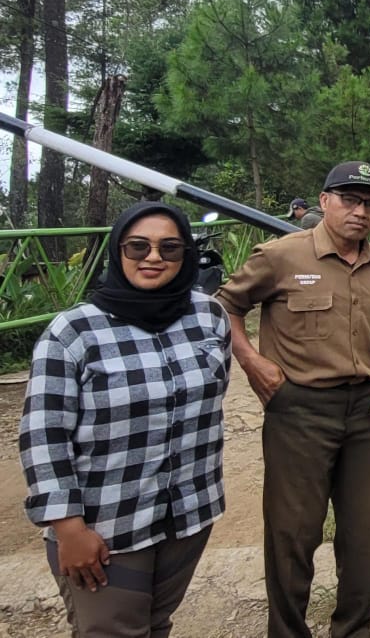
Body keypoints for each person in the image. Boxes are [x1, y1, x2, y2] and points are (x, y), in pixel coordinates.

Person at [21, 201, 230, 638]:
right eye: (139, 247)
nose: (153, 257)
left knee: (155, 624)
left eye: (170, 248)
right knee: (114, 631)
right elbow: (44, 437)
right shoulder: (74, 332)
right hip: (107, 525)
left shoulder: (208, 316)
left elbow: (210, 403)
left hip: (188, 514)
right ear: (118, 251)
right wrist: (68, 528)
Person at [216, 161, 370, 638]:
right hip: (300, 413)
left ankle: (353, 630)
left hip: (367, 416)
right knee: (293, 535)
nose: (360, 212)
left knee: (364, 537)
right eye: (349, 200)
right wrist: (253, 362)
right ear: (324, 202)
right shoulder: (281, 256)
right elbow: (225, 305)